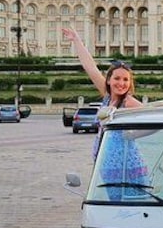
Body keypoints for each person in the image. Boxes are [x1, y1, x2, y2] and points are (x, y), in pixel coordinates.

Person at [62, 27, 148, 199]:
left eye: (125, 79)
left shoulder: (129, 102)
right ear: (109, 80)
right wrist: (77, 40)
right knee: (115, 207)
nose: (121, 83)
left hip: (127, 165)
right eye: (117, 78)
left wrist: (133, 134)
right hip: (107, 164)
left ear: (130, 83)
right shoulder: (108, 97)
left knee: (133, 208)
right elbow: (90, 67)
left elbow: (156, 120)